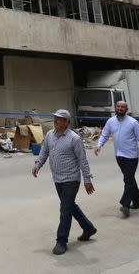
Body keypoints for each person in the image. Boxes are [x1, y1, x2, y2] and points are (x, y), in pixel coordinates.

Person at [33, 109, 96, 255]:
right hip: (58, 179)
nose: (56, 121)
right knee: (69, 206)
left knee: (65, 210)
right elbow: (44, 152)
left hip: (71, 179)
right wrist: (37, 164)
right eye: (55, 118)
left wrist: (87, 179)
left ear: (67, 122)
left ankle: (61, 241)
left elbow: (83, 160)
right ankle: (88, 228)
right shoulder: (50, 135)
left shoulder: (74, 139)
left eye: (59, 119)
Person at [95, 101, 139, 217]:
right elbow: (104, 134)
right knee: (130, 179)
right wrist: (99, 145)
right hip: (119, 156)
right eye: (118, 106)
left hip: (131, 156)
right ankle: (138, 202)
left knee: (128, 179)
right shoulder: (111, 121)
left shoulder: (133, 122)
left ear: (127, 109)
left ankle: (125, 205)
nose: (120, 108)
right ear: (115, 108)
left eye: (123, 107)